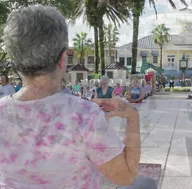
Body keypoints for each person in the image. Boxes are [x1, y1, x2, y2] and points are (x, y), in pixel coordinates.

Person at [0, 5, 157, 189]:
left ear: (16, 62)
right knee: (145, 185)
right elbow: (126, 176)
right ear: (62, 59)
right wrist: (132, 117)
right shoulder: (83, 115)